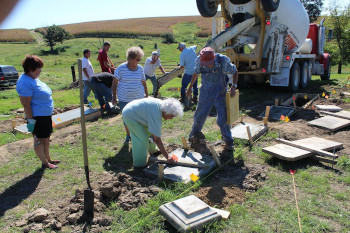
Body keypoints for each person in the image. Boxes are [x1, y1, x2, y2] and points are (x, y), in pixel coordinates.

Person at [186, 47, 238, 150]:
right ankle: (193, 137)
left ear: (214, 58)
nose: (208, 65)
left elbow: (235, 71)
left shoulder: (223, 61)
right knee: (199, 116)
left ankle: (228, 141)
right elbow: (196, 73)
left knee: (223, 119)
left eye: (209, 62)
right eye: (205, 63)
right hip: (205, 92)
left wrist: (234, 86)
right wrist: (190, 87)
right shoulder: (198, 61)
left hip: (221, 93)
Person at [16, 55, 59, 169]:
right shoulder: (25, 82)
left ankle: (48, 158)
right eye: (39, 68)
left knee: (46, 137)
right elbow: (26, 104)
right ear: (31, 69)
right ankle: (45, 163)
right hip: (37, 117)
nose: (40, 71)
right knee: (39, 139)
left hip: (44, 115)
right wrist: (31, 121)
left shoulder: (34, 78)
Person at [122, 98, 183, 168]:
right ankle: (139, 165)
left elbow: (154, 134)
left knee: (150, 132)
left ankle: (153, 151)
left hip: (138, 112)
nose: (171, 118)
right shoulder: (156, 114)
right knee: (142, 138)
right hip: (130, 115)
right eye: (172, 116)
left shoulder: (162, 106)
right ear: (166, 111)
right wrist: (167, 156)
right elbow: (157, 139)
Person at [112, 46, 148, 144]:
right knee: (126, 119)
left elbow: (144, 83)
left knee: (139, 118)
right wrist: (114, 98)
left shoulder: (140, 69)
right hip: (124, 99)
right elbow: (114, 83)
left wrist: (147, 96)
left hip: (138, 99)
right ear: (131, 58)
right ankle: (128, 135)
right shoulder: (121, 68)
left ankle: (138, 135)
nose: (139, 61)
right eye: (138, 59)